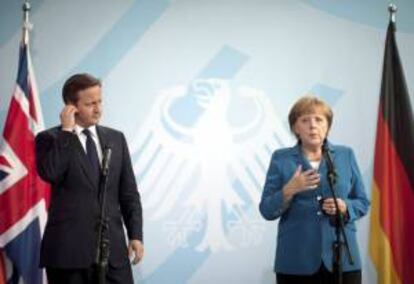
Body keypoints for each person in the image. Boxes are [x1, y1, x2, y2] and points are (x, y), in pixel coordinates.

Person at [35, 73, 143, 284]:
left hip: (113, 254)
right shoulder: (50, 139)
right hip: (68, 256)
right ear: (71, 107)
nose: (98, 109)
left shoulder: (116, 138)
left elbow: (128, 193)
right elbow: (50, 173)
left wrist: (136, 235)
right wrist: (66, 132)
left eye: (100, 101)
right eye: (90, 103)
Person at [259, 96, 370, 284]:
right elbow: (267, 210)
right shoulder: (281, 158)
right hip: (296, 260)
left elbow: (362, 202)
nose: (313, 125)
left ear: (327, 126)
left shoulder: (345, 155)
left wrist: (345, 207)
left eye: (319, 120)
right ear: (295, 128)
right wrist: (289, 189)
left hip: (342, 259)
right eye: (305, 120)